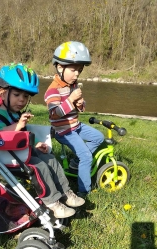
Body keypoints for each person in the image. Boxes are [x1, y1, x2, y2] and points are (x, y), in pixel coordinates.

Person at [0, 63, 85, 219]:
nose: (22, 100)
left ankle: (65, 192)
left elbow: (22, 135)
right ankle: (52, 202)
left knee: (49, 158)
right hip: (5, 155)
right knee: (40, 166)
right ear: (2, 93)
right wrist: (18, 125)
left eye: (26, 96)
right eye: (17, 95)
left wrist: (35, 144)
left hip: (20, 151)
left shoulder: (15, 114)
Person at [44, 41, 104, 197]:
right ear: (59, 67)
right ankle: (84, 191)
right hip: (63, 131)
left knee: (99, 137)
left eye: (79, 70)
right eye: (73, 70)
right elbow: (54, 114)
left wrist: (79, 104)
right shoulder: (52, 90)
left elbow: (80, 108)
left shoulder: (73, 86)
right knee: (86, 156)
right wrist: (70, 101)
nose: (77, 74)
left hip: (75, 126)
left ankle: (76, 162)